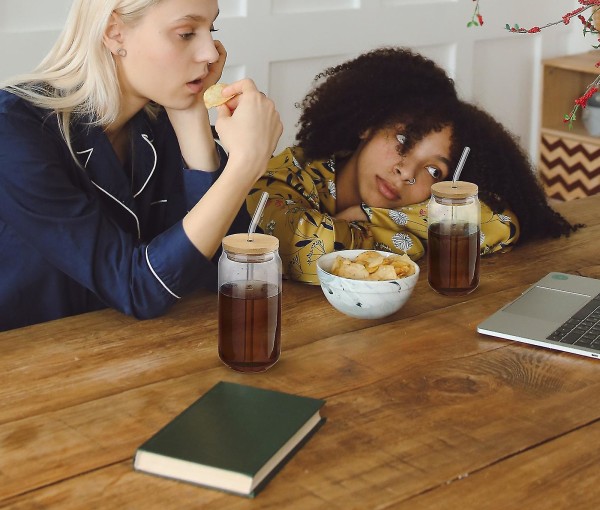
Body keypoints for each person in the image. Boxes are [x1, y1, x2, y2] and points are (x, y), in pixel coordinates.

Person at [0, 0, 282, 331]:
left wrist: (191, 114)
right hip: (29, 363)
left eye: (212, 30)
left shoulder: (161, 118)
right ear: (114, 32)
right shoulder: (15, 130)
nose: (210, 53)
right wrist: (245, 164)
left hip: (139, 352)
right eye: (187, 33)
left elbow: (229, 274)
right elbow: (138, 287)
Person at [246, 47, 576, 284]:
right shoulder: (290, 170)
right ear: (369, 125)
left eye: (434, 171)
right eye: (403, 141)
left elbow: (501, 223)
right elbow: (303, 251)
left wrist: (373, 219)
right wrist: (404, 237)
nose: (406, 173)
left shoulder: (408, 205)